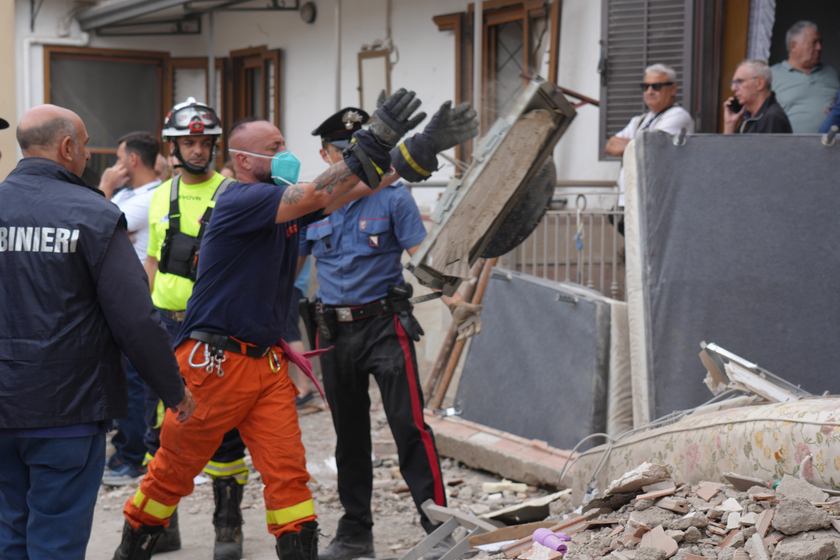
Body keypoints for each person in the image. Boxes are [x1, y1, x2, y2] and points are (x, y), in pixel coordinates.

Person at [114, 88, 477, 560]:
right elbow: (321, 189)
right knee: (171, 474)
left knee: (289, 478)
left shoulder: (284, 209)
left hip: (264, 367)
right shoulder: (241, 199)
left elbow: (355, 189)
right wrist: (378, 135)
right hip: (214, 365)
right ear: (244, 161)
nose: (285, 155)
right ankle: (133, 546)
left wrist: (420, 148)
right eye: (274, 149)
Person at [0, 104, 194, 560]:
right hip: (67, 409)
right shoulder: (94, 215)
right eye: (85, 146)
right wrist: (173, 388)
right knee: (57, 540)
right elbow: (135, 319)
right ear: (67, 147)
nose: (88, 155)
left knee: (11, 532)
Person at [303, 106, 481, 560]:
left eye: (356, 152)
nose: (349, 160)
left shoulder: (394, 198)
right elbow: (290, 269)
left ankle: (439, 529)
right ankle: (355, 530)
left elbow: (424, 260)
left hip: (384, 327)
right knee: (350, 434)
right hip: (332, 333)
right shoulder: (313, 202)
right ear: (326, 156)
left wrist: (455, 302)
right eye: (341, 153)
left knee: (409, 427)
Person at [142, 97, 251, 559]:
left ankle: (228, 526)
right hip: (164, 327)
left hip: (214, 330)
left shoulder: (233, 195)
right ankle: (161, 526)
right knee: (158, 427)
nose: (199, 150)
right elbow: (152, 259)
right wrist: (141, 320)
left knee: (221, 428)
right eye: (189, 141)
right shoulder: (158, 197)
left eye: (205, 142)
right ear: (172, 148)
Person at [95, 131, 164, 486]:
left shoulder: (147, 198)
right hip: (116, 302)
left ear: (133, 161)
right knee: (124, 383)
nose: (115, 166)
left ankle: (133, 457)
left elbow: (93, 223)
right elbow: (104, 223)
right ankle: (126, 450)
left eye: (120, 158)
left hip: (137, 303)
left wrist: (105, 186)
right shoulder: (130, 196)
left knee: (135, 386)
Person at [605, 63, 693, 213]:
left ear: (673, 89)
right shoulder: (640, 120)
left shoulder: (678, 116)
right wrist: (640, 144)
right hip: (629, 200)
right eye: (645, 87)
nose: (650, 91)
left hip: (656, 203)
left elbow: (653, 148)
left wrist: (634, 144)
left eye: (656, 86)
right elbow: (610, 145)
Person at [769, 21, 839, 133]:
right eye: (813, 43)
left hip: (830, 146)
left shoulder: (831, 73)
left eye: (820, 42)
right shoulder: (771, 75)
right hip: (788, 147)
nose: (819, 47)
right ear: (794, 46)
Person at [723, 59, 792, 134]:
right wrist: (729, 123)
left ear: (760, 83)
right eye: (733, 83)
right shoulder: (750, 116)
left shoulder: (772, 117)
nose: (733, 88)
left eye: (739, 82)